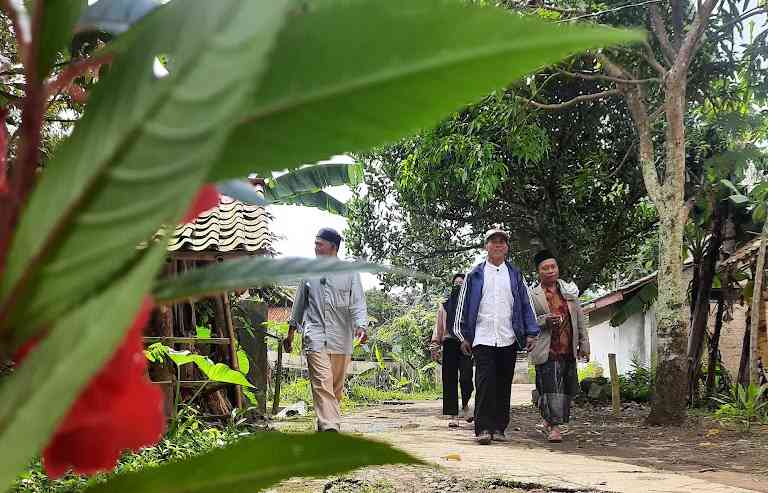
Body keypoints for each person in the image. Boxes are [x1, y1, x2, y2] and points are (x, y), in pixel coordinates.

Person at [453, 228, 539, 444]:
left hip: (508, 336)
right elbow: (461, 306)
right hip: (482, 337)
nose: (498, 245)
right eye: (493, 241)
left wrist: (530, 332)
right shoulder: (475, 275)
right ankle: (483, 428)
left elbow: (526, 303)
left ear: (507, 247)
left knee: (503, 382)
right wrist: (462, 335)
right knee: (484, 382)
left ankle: (499, 427)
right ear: (486, 247)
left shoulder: (515, 275)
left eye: (502, 242)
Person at [285, 227, 368, 432]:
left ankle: (324, 425)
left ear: (333, 247)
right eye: (315, 243)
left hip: (342, 337)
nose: (315, 248)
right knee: (322, 382)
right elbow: (299, 304)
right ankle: (331, 426)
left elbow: (357, 301)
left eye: (319, 244)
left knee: (335, 388)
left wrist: (361, 326)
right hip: (315, 335)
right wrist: (290, 332)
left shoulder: (350, 272)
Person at [528, 250, 590, 443]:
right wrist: (544, 321)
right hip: (546, 347)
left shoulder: (569, 293)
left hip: (567, 346)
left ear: (557, 268)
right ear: (538, 272)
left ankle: (549, 418)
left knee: (566, 389)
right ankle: (555, 427)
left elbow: (579, 319)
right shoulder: (532, 294)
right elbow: (527, 321)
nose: (550, 271)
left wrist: (584, 344)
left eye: (552, 267)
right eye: (545, 268)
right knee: (551, 386)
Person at [429, 273, 474, 427]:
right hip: (449, 343)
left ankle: (466, 404)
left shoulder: (470, 305)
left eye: (462, 284)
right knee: (449, 379)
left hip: (466, 343)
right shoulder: (445, 305)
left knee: (467, 377)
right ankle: (453, 414)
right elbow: (439, 328)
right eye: (456, 284)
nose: (459, 286)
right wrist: (435, 345)